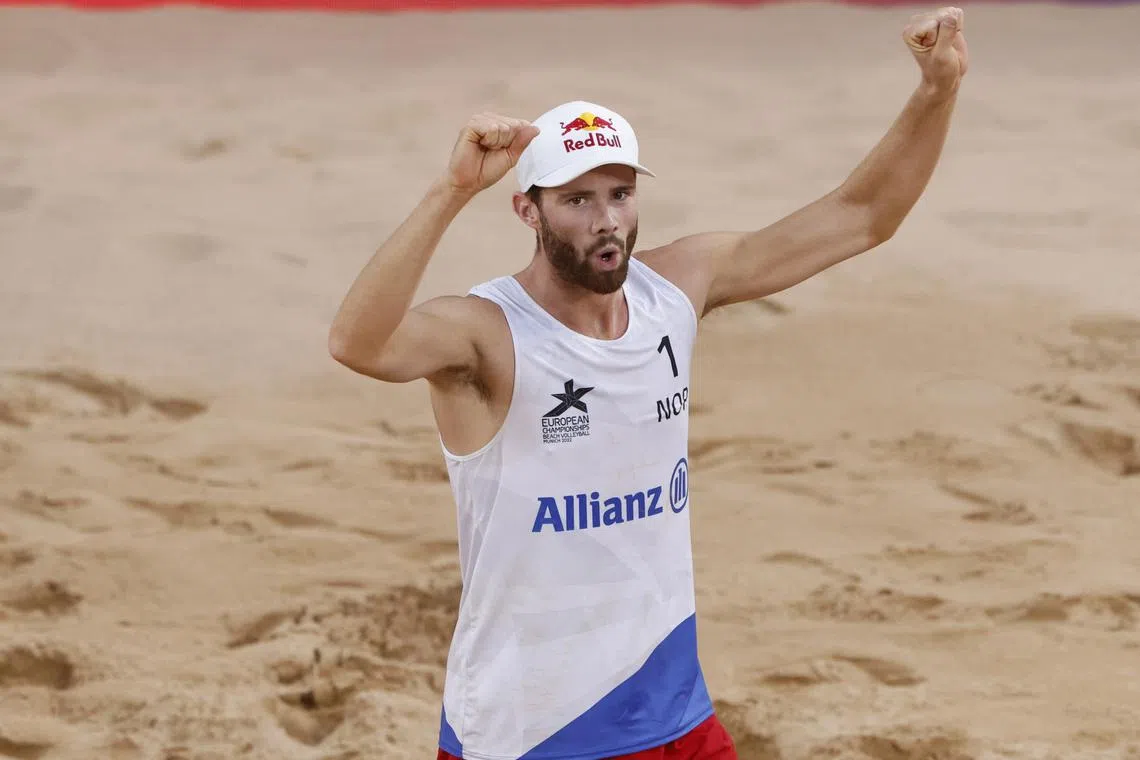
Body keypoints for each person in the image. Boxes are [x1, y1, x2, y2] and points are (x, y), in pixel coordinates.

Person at [328, 7, 968, 759]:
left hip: (672, 709)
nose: (606, 220)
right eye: (577, 200)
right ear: (526, 209)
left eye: (620, 194)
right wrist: (449, 190)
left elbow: (862, 216)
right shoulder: (487, 335)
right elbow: (356, 343)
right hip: (536, 729)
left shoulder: (676, 287)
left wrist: (937, 89)